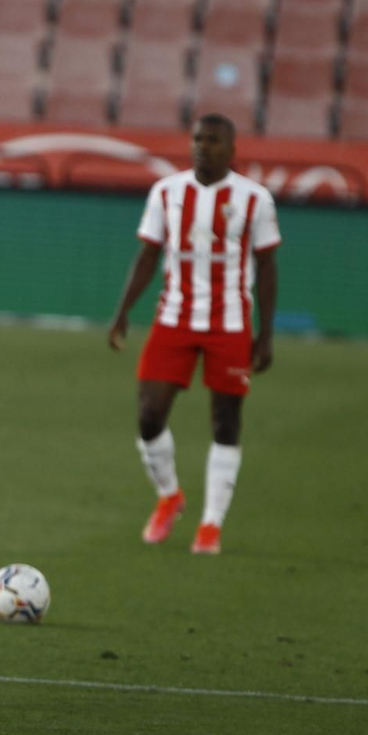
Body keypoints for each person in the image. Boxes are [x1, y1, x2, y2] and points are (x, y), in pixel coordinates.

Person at [108, 114, 280, 555]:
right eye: (198, 139)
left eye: (214, 140)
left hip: (231, 323)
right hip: (175, 317)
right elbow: (149, 254)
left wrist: (265, 334)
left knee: (225, 421)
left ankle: (210, 525)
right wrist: (123, 311)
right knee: (148, 415)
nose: (204, 146)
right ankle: (170, 495)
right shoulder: (167, 192)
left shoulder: (255, 199)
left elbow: (267, 265)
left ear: (232, 148)